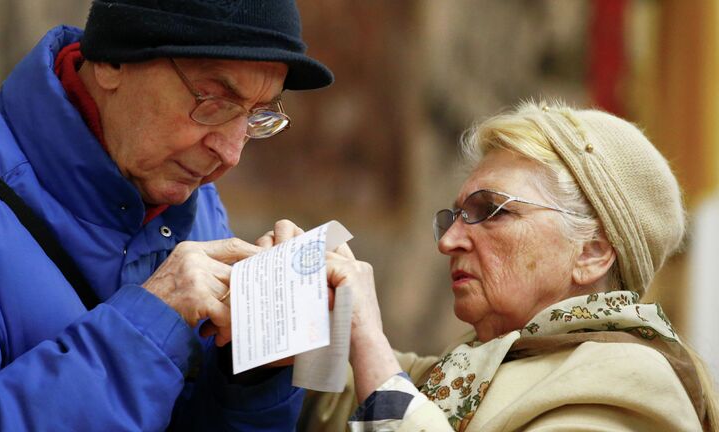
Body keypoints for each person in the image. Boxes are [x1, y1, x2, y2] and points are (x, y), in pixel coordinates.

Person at [0, 1, 332, 430]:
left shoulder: (189, 194)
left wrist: (255, 368)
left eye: (256, 116)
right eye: (214, 101)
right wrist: (150, 320)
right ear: (114, 60)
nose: (231, 153)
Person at [300, 101, 717, 431]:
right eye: (454, 216)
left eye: (491, 211)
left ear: (591, 252)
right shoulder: (466, 369)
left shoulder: (633, 385)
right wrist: (289, 317)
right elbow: (337, 404)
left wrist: (367, 337)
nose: (448, 241)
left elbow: (384, 390)